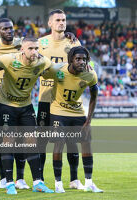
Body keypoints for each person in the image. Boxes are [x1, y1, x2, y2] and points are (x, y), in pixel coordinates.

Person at [0, 37, 55, 194]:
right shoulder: (10, 59)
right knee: (8, 142)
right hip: (6, 106)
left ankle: (38, 181)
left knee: (31, 142)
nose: (34, 52)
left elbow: (57, 69)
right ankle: (10, 183)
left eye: (36, 48)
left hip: (26, 106)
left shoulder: (41, 61)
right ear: (22, 49)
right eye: (31, 48)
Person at [42, 46, 103, 193]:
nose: (81, 62)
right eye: (78, 59)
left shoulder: (90, 74)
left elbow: (94, 96)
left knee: (86, 144)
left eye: (84, 59)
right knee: (59, 144)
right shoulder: (58, 70)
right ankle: (58, 183)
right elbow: (41, 73)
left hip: (77, 112)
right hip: (58, 111)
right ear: (71, 60)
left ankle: (89, 182)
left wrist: (88, 120)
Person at [37, 9, 83, 192]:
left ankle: (74, 179)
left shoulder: (73, 42)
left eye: (64, 20)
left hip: (66, 101)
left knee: (71, 141)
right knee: (41, 142)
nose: (61, 23)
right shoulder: (40, 43)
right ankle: (38, 179)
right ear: (49, 23)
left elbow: (81, 64)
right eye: (57, 20)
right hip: (45, 99)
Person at [0, 18, 30, 190]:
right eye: (5, 29)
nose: (9, 31)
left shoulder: (21, 43)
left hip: (19, 101)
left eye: (11, 28)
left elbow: (41, 43)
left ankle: (20, 178)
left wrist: (68, 35)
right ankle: (3, 177)